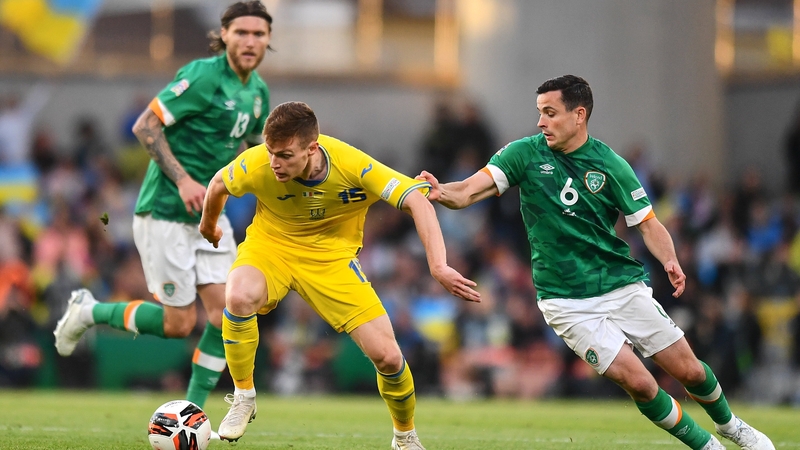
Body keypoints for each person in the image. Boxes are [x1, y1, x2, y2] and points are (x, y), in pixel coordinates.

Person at [417, 75, 775, 450]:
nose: (541, 122)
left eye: (550, 113)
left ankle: (732, 426)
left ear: (579, 115)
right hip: (565, 300)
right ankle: (706, 446)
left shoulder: (610, 164)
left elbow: (648, 224)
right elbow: (471, 189)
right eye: (540, 112)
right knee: (638, 382)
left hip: (620, 284)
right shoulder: (524, 153)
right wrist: (443, 191)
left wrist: (669, 259)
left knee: (687, 369)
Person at [198, 101, 481, 448]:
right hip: (271, 245)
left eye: (285, 155)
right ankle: (244, 397)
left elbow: (417, 201)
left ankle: (405, 436)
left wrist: (438, 265)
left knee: (389, 357)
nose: (275, 163)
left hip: (331, 258)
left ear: (312, 148)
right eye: (272, 152)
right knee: (238, 296)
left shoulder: (352, 165)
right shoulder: (258, 163)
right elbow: (217, 185)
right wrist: (208, 226)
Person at [53, 1, 273, 411]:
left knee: (227, 312)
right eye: (241, 32)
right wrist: (185, 179)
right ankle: (90, 311)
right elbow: (146, 125)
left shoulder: (258, 92)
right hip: (166, 211)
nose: (249, 41)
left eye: (258, 34)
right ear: (223, 34)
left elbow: (253, 148)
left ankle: (192, 413)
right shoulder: (202, 77)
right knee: (179, 324)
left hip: (210, 214)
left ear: (268, 40)